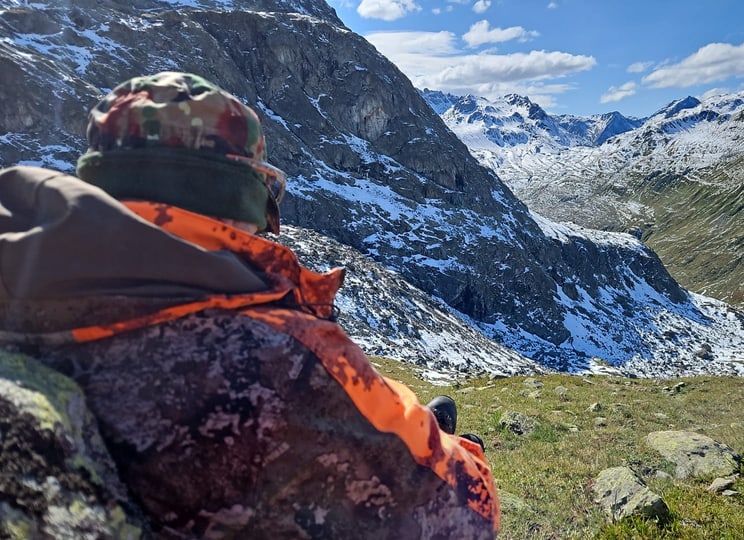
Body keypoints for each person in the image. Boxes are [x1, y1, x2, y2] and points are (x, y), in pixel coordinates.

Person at [0, 72, 498, 539]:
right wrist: (453, 445)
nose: (271, 224)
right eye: (267, 196)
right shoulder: (277, 358)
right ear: (234, 198)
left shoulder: (24, 282)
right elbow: (466, 512)